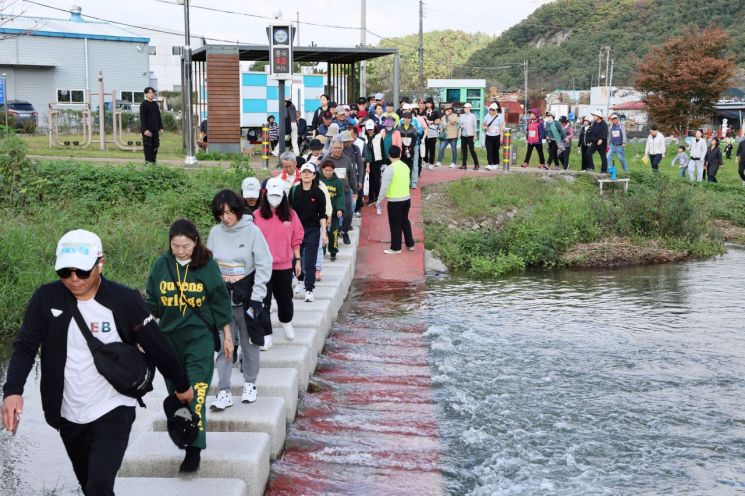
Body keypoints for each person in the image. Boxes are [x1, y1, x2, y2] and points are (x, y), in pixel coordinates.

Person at [2, 229, 194, 495]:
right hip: (68, 413)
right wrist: (13, 391)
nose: (73, 279)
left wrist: (182, 385)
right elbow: (24, 347)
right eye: (65, 272)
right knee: (89, 486)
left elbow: (157, 345)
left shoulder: (124, 300)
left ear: (100, 263)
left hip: (114, 406)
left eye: (82, 272)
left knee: (100, 485)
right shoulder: (46, 299)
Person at [145, 219, 233, 472]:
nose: (181, 251)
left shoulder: (207, 266)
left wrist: (227, 336)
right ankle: (184, 436)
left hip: (199, 339)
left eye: (186, 246)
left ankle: (194, 450)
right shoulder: (162, 265)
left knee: (197, 393)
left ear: (196, 241)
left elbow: (220, 303)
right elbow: (151, 302)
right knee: (177, 396)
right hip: (168, 341)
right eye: (175, 246)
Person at [207, 190, 272, 410]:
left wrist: (257, 296)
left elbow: (264, 263)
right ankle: (223, 390)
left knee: (249, 342)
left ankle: (250, 384)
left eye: (229, 212)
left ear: (237, 210)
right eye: (221, 213)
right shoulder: (215, 233)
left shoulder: (252, 231)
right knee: (224, 344)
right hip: (223, 299)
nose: (225, 217)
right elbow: (209, 265)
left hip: (248, 298)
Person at [253, 177, 304, 341]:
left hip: (283, 266)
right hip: (262, 267)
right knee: (264, 301)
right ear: (265, 194)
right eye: (271, 195)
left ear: (283, 195)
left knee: (285, 299)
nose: (274, 199)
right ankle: (266, 334)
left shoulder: (291, 215)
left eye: (278, 195)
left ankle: (286, 321)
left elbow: (296, 239)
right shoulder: (256, 216)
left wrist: (297, 261)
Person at [289, 163, 328, 302]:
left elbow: (322, 215)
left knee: (310, 261)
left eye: (309, 172)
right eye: (304, 172)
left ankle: (309, 289)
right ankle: (299, 280)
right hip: (295, 230)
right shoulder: (294, 191)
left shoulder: (318, 193)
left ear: (314, 175)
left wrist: (324, 233)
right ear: (300, 174)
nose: (306, 174)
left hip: (312, 229)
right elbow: (289, 212)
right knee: (294, 259)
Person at [376, 145, 414, 254]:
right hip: (406, 198)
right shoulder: (405, 166)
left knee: (395, 224)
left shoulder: (389, 168)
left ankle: (396, 247)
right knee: (405, 221)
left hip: (394, 200)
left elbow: (384, 186)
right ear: (400, 154)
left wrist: (379, 200)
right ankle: (410, 244)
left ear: (389, 156)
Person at [322, 137, 357, 245]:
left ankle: (344, 231)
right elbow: (319, 176)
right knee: (329, 214)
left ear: (342, 148)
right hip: (329, 193)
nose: (337, 150)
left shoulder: (346, 160)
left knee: (348, 213)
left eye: (339, 148)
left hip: (345, 191)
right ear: (331, 148)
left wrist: (355, 191)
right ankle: (330, 234)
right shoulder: (325, 160)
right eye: (335, 148)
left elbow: (351, 176)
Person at [319, 159, 346, 262]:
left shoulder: (338, 182)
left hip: (333, 212)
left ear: (333, 170)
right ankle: (322, 250)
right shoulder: (319, 181)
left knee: (333, 232)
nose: (328, 172)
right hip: (322, 212)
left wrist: (340, 209)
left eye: (330, 170)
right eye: (326, 170)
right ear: (322, 170)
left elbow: (340, 196)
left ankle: (333, 251)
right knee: (322, 232)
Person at [364, 119, 387, 210]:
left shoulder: (378, 136)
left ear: (374, 128)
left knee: (377, 181)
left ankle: (378, 199)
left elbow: (382, 149)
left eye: (371, 129)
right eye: (368, 129)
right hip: (368, 162)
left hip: (377, 162)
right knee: (369, 181)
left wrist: (384, 162)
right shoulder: (364, 137)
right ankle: (371, 199)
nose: (370, 131)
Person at [140, 86, 163, 164]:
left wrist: (161, 127)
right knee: (147, 146)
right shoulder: (143, 104)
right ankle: (148, 163)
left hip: (155, 129)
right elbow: (142, 118)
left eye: (153, 93)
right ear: (146, 94)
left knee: (156, 145)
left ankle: (153, 162)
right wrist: (145, 130)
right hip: (147, 130)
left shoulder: (155, 104)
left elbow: (158, 116)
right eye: (150, 93)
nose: (152, 94)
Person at [483, 102, 504, 171]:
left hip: (497, 136)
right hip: (488, 136)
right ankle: (490, 164)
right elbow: (483, 125)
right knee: (489, 150)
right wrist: (485, 128)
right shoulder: (486, 116)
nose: (491, 111)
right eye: (490, 109)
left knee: (495, 150)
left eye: (493, 110)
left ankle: (496, 163)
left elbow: (501, 127)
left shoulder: (500, 116)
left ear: (496, 110)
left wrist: (501, 137)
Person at [459, 103, 479, 170]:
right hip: (463, 135)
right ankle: (464, 164)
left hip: (470, 135)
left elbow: (475, 126)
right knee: (464, 151)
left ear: (469, 108)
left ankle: (476, 164)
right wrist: (460, 126)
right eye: (464, 108)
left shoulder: (473, 116)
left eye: (466, 107)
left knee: (472, 150)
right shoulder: (462, 116)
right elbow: (460, 124)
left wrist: (475, 135)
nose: (465, 109)